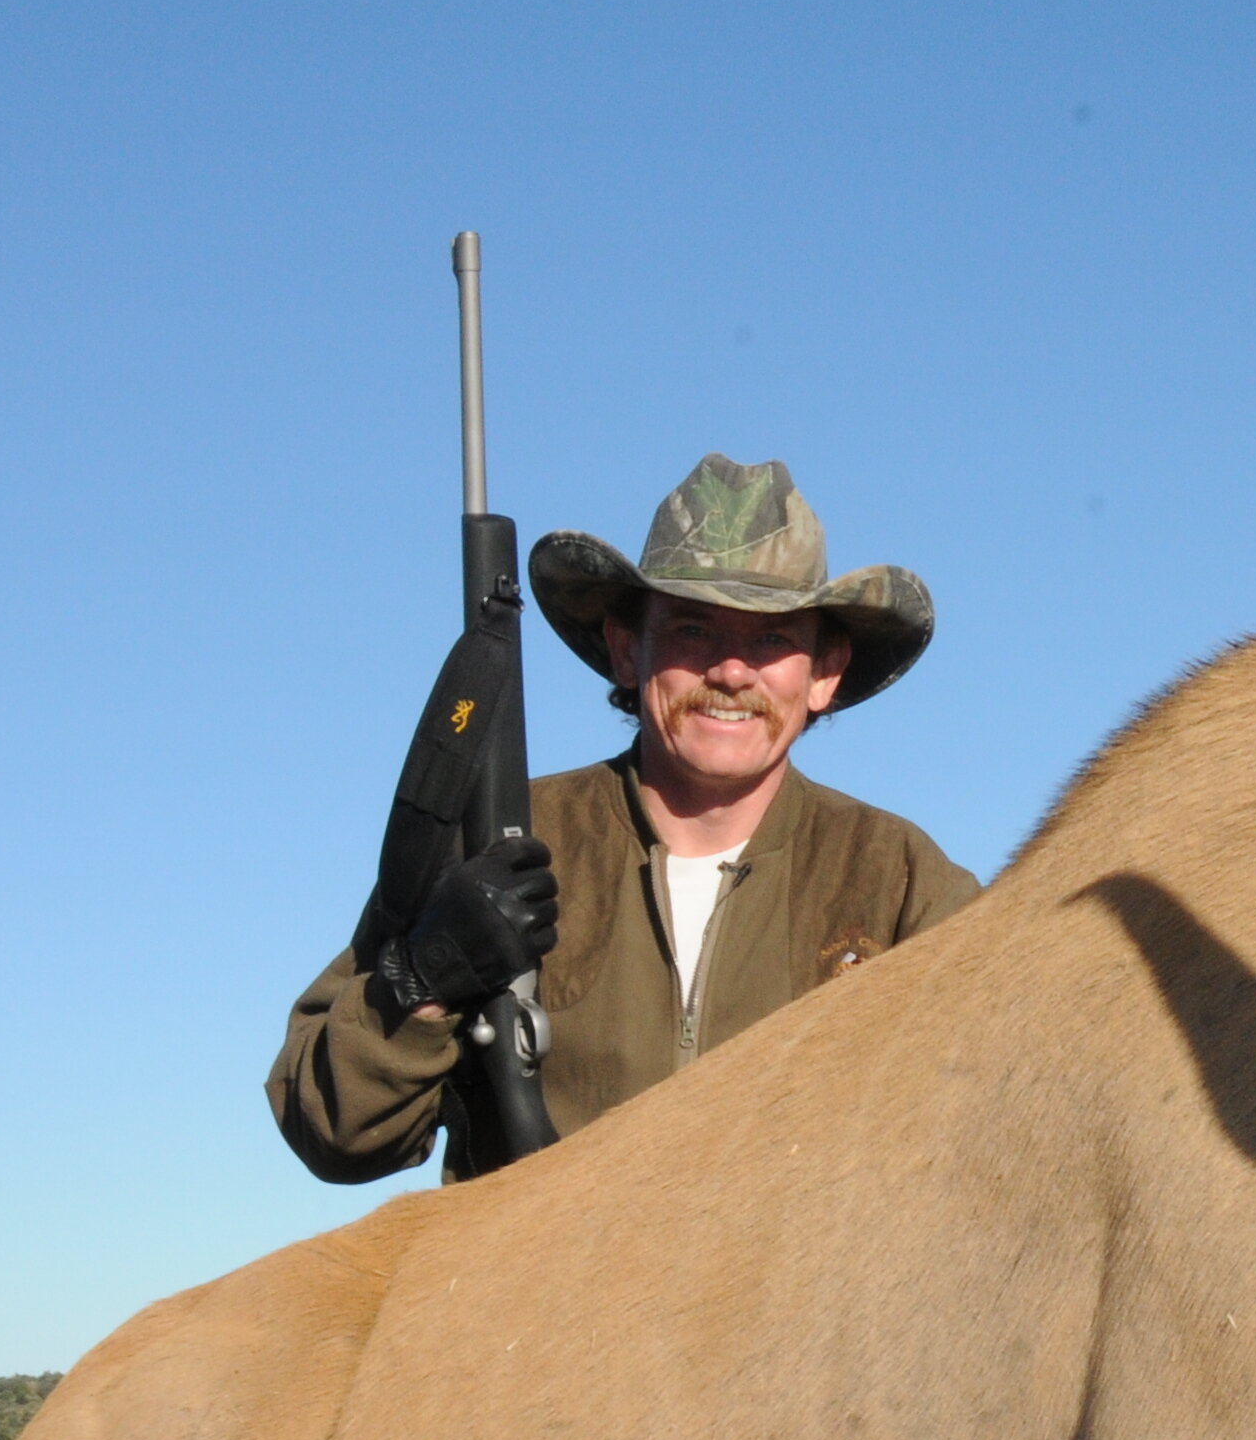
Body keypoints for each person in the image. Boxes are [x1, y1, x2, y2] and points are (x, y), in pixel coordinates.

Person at [273, 454, 979, 1183]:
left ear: (823, 674)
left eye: (771, 638)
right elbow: (330, 1128)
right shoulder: (494, 837)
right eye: (693, 631)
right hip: (537, 1293)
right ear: (625, 651)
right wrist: (422, 978)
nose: (731, 672)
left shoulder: (899, 877)